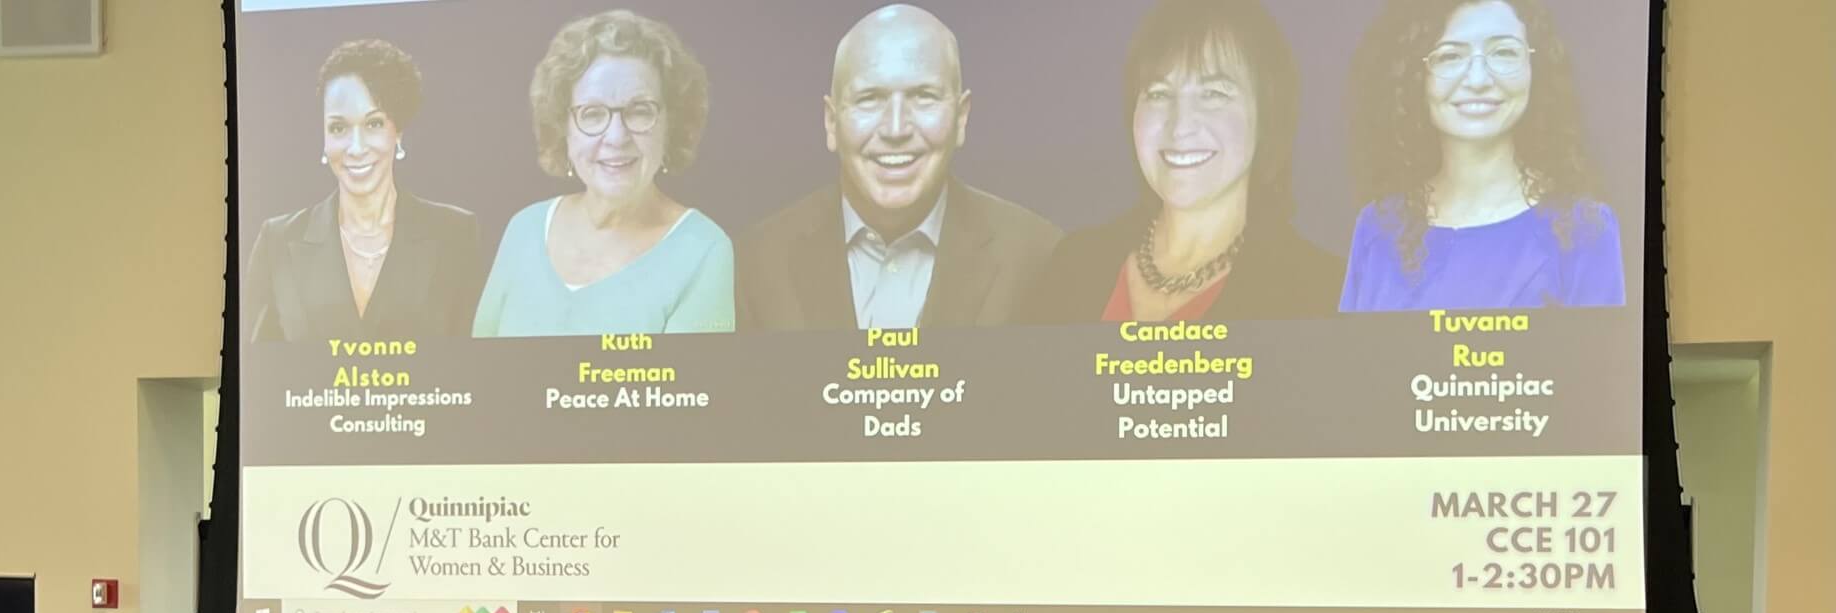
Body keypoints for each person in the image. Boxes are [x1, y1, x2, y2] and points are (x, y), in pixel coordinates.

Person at [736, 4, 1059, 331]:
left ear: (961, 117)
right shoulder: (755, 265)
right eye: (869, 98)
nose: (895, 129)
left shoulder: (1037, 258)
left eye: (923, 96)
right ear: (832, 122)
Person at [1025, 0, 1339, 324]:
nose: (1180, 126)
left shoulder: (1321, 292)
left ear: (1267, 115)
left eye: (1213, 94)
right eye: (1159, 94)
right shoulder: (1073, 267)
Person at [1340, 0, 1625, 311]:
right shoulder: (1378, 227)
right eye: (1450, 56)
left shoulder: (1584, 228)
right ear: (1416, 76)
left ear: (1534, 68)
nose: (1478, 81)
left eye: (1503, 53)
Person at [473, 10, 733, 337]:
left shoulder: (704, 250)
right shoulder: (524, 227)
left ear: (672, 124)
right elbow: (479, 363)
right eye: (593, 114)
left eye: (640, 111)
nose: (617, 137)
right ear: (563, 127)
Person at [243, 39, 483, 342]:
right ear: (324, 137)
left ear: (398, 132)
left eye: (373, 124)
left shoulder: (455, 234)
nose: (356, 148)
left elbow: (471, 357)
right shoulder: (277, 241)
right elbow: (256, 359)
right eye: (338, 128)